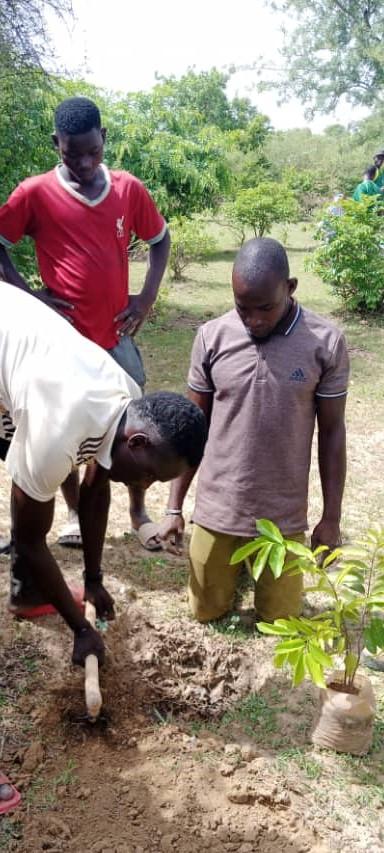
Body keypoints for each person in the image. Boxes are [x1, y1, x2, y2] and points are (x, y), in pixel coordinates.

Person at [0, 283, 207, 664]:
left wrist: (93, 580)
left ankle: (30, 593)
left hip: (18, 351)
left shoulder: (125, 395)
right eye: (150, 477)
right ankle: (29, 594)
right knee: (30, 501)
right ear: (138, 442)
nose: (143, 486)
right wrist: (80, 628)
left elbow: (95, 492)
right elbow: (28, 539)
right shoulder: (55, 434)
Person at [0, 96, 170, 551]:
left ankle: (137, 511)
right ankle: (76, 513)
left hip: (115, 340)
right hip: (61, 348)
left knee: (136, 430)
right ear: (56, 143)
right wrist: (26, 295)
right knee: (61, 432)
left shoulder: (127, 189)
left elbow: (160, 239)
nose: (83, 162)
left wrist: (146, 298)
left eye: (92, 151)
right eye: (71, 153)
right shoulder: (33, 193)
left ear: (104, 140)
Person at [158, 238, 349, 624]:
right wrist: (174, 507)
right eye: (243, 308)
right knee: (205, 612)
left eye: (266, 308)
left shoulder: (325, 343)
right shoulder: (212, 336)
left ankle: (251, 571)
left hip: (283, 517)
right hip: (219, 507)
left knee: (279, 621)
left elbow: (332, 433)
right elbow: (192, 428)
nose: (254, 320)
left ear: (290, 288)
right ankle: (231, 566)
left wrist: (331, 518)